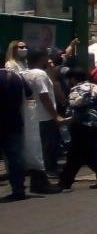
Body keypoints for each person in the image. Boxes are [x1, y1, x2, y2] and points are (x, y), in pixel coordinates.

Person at [19, 48, 63, 195]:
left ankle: (38, 182)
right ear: (42, 58)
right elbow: (45, 95)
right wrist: (55, 114)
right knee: (46, 149)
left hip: (31, 116)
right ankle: (41, 182)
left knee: (37, 150)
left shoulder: (24, 73)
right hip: (44, 116)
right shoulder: (39, 74)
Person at [0, 61, 32, 202]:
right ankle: (18, 189)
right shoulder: (16, 76)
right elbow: (29, 94)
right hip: (14, 121)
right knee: (15, 158)